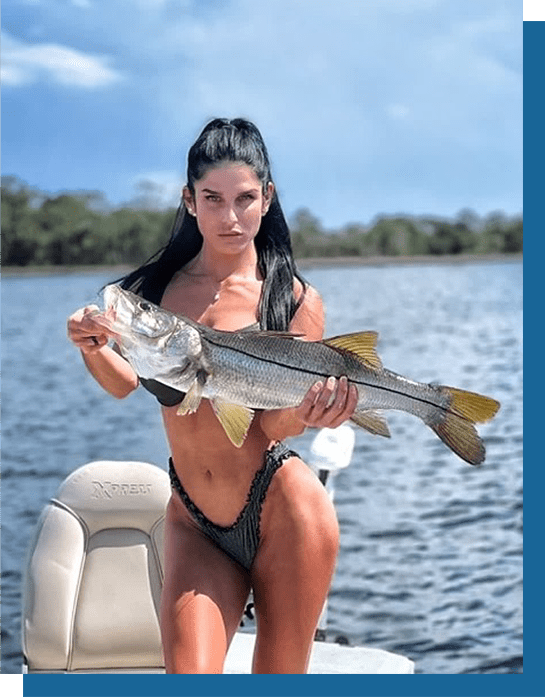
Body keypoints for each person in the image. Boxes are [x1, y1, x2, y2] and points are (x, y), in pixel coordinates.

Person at [67, 118, 358, 674]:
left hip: (286, 510)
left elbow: (271, 429)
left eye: (246, 198)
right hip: (193, 518)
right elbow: (126, 383)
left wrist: (305, 415)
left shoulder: (293, 299)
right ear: (189, 200)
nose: (230, 217)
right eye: (213, 198)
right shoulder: (151, 295)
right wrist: (89, 346)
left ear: (267, 198)